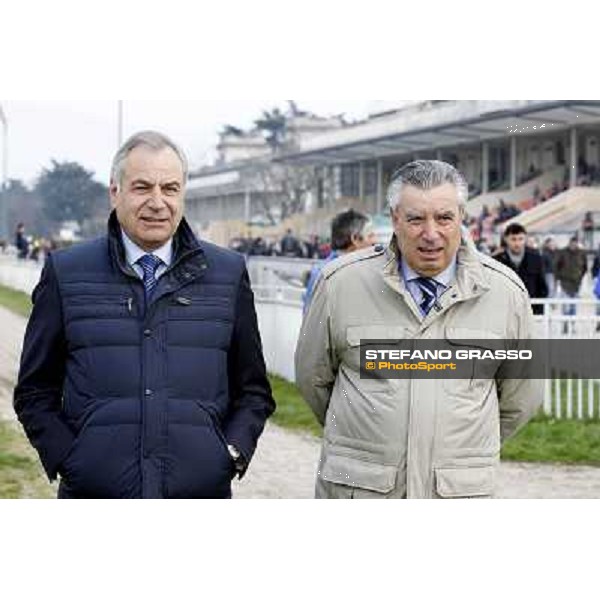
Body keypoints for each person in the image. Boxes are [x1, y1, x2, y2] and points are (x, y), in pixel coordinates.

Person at [14, 131, 275, 499]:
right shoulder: (66, 271)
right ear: (114, 192)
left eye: (170, 188)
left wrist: (229, 453)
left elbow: (254, 391)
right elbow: (34, 390)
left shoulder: (227, 273)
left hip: (198, 493)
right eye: (142, 187)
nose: (157, 202)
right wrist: (69, 458)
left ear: (183, 193)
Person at [295, 160, 541, 500]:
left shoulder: (505, 292)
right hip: (360, 490)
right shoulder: (339, 284)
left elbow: (521, 396)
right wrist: (368, 436)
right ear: (394, 219)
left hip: (457, 493)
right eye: (415, 219)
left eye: (444, 218)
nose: (431, 233)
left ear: (461, 217)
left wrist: (459, 448)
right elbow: (313, 378)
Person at [302, 209, 376, 314]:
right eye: (370, 235)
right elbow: (312, 322)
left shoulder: (368, 270)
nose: (375, 241)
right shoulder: (324, 276)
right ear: (355, 239)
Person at [494, 223, 548, 315]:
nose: (517, 243)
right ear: (506, 239)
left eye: (520, 239)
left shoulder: (536, 259)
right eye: (513, 239)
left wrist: (538, 311)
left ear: (525, 239)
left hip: (530, 309)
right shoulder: (497, 260)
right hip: (505, 311)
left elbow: (542, 286)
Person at [554, 236, 588, 331]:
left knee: (573, 305)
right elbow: (556, 266)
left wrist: (580, 277)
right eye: (572, 243)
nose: (574, 245)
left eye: (575, 243)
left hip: (577, 284)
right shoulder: (562, 252)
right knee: (565, 305)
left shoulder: (582, 253)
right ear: (569, 243)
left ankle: (572, 325)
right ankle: (565, 324)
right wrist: (559, 278)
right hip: (565, 283)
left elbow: (585, 267)